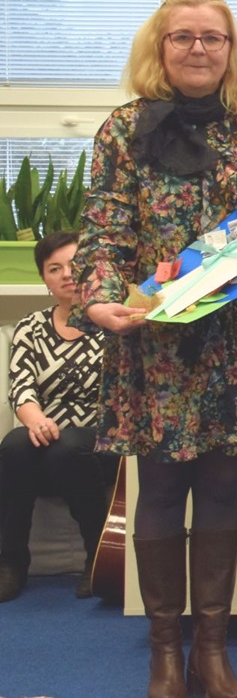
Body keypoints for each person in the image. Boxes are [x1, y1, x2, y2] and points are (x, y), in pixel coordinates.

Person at [75, 0, 237, 698]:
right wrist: (102, 296)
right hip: (155, 337)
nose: (198, 49)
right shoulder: (123, 130)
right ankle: (164, 656)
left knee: (221, 485)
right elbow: (103, 230)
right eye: (182, 37)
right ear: (160, 47)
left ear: (229, 50)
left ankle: (211, 650)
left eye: (213, 38)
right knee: (159, 487)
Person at [0, 232, 116, 602]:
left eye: (75, 265)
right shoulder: (31, 328)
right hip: (46, 438)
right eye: (55, 269)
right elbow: (20, 386)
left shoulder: (113, 323)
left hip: (101, 442)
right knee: (15, 444)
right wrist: (35, 419)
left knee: (68, 447)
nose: (67, 274)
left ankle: (96, 558)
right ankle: (10, 563)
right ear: (44, 279)